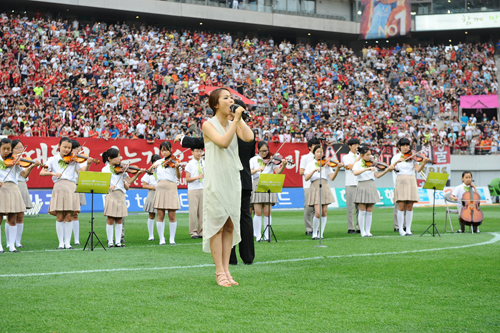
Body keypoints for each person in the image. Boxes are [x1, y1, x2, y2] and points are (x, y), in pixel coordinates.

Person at [175, 99, 256, 266]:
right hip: (245, 179)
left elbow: (201, 142)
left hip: (228, 179)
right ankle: (248, 256)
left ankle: (230, 259)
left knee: (227, 218)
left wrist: (183, 139)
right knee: (244, 218)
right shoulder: (242, 129)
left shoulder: (230, 129)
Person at [201, 87, 253, 287]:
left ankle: (227, 270)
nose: (231, 100)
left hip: (233, 178)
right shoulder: (208, 125)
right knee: (217, 226)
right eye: (226, 98)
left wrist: (239, 118)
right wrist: (235, 121)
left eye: (232, 98)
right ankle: (219, 272)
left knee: (230, 224)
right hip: (216, 180)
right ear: (215, 104)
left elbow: (248, 137)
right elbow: (223, 142)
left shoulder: (234, 123)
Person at [40, 137, 95, 249]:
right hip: (59, 187)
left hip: (71, 187)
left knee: (69, 216)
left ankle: (68, 243)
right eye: (65, 147)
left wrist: (88, 164)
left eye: (69, 148)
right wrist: (54, 174)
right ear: (59, 146)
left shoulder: (74, 159)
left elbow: (82, 173)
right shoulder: (52, 159)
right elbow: (42, 172)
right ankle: (61, 243)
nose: (67, 149)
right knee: (60, 216)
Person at [0, 138, 40, 252]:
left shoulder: (16, 160)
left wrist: (31, 166)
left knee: (12, 218)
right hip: (1, 188)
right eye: (4, 149)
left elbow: (24, 174)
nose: (7, 151)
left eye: (9, 149)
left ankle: (12, 246)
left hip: (13, 188)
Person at [101, 148, 146, 247]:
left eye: (119, 156)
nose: (119, 159)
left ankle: (118, 242)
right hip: (111, 194)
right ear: (109, 158)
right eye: (117, 157)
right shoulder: (105, 169)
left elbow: (129, 181)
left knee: (119, 219)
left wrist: (138, 173)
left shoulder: (122, 169)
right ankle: (110, 241)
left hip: (121, 195)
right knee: (110, 219)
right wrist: (109, 186)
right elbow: (103, 183)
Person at [250, 141, 288, 242]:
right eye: (262, 151)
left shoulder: (272, 159)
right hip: (257, 183)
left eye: (266, 151)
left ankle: (267, 235)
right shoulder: (253, 159)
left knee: (267, 212)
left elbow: (278, 171)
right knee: (257, 212)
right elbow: (249, 171)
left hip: (269, 183)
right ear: (258, 150)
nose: (264, 153)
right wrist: (258, 169)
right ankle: (257, 235)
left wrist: (283, 165)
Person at [353, 146, 394, 237]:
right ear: (362, 155)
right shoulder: (357, 164)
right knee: (362, 210)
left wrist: (387, 169)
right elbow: (355, 173)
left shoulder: (372, 164)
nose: (369, 156)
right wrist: (367, 169)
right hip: (362, 185)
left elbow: (377, 175)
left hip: (371, 185)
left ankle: (368, 231)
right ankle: (362, 231)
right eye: (367, 155)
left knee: (369, 211)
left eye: (370, 154)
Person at [391, 138, 428, 236]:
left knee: (410, 206)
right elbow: (392, 168)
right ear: (399, 146)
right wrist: (397, 161)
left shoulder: (413, 157)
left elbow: (418, 170)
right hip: (401, 180)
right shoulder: (396, 157)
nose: (405, 147)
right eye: (403, 145)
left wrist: (423, 163)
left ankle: (408, 229)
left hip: (411, 180)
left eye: (407, 145)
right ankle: (400, 229)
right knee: (401, 206)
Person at [304, 145, 343, 239]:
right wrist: (314, 171)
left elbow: (332, 178)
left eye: (321, 152)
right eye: (317, 152)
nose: (319, 154)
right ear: (314, 153)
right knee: (317, 212)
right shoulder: (310, 164)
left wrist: (337, 168)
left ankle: (321, 233)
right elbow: (306, 178)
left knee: (324, 212)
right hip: (315, 186)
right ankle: (314, 233)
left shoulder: (326, 164)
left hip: (325, 185)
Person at [153, 141, 182, 245]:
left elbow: (178, 176)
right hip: (160, 187)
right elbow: (149, 172)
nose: (164, 152)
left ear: (171, 150)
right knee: (160, 214)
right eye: (162, 150)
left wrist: (177, 167)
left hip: (171, 187)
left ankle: (172, 239)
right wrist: (153, 167)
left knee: (172, 215)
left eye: (166, 150)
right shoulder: (158, 162)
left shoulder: (175, 162)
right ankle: (161, 239)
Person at [299, 138, 320, 236]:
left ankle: (316, 228)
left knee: (317, 208)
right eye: (315, 145)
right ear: (310, 147)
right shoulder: (305, 158)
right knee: (308, 207)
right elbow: (301, 171)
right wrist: (311, 171)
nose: (317, 147)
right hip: (308, 185)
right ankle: (308, 228)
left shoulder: (321, 158)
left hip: (318, 185)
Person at [341, 138, 360, 234]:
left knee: (360, 207)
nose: (357, 147)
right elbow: (351, 167)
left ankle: (360, 227)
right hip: (350, 183)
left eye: (358, 145)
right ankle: (351, 227)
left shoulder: (360, 156)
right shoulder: (346, 157)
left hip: (360, 183)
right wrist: (360, 158)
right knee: (351, 207)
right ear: (350, 146)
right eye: (355, 145)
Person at [141, 154, 161, 241]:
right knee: (151, 215)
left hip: (161, 193)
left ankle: (161, 235)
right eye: (154, 162)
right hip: (152, 193)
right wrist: (153, 187)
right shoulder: (149, 173)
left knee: (161, 215)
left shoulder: (162, 171)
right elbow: (144, 185)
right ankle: (151, 235)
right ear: (151, 163)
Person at [185, 148, 204, 239]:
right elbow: (187, 179)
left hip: (203, 188)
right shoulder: (189, 164)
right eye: (196, 151)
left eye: (200, 151)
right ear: (192, 152)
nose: (198, 153)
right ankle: (193, 232)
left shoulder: (204, 163)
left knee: (202, 212)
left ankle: (202, 231)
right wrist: (198, 177)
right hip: (193, 189)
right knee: (193, 211)